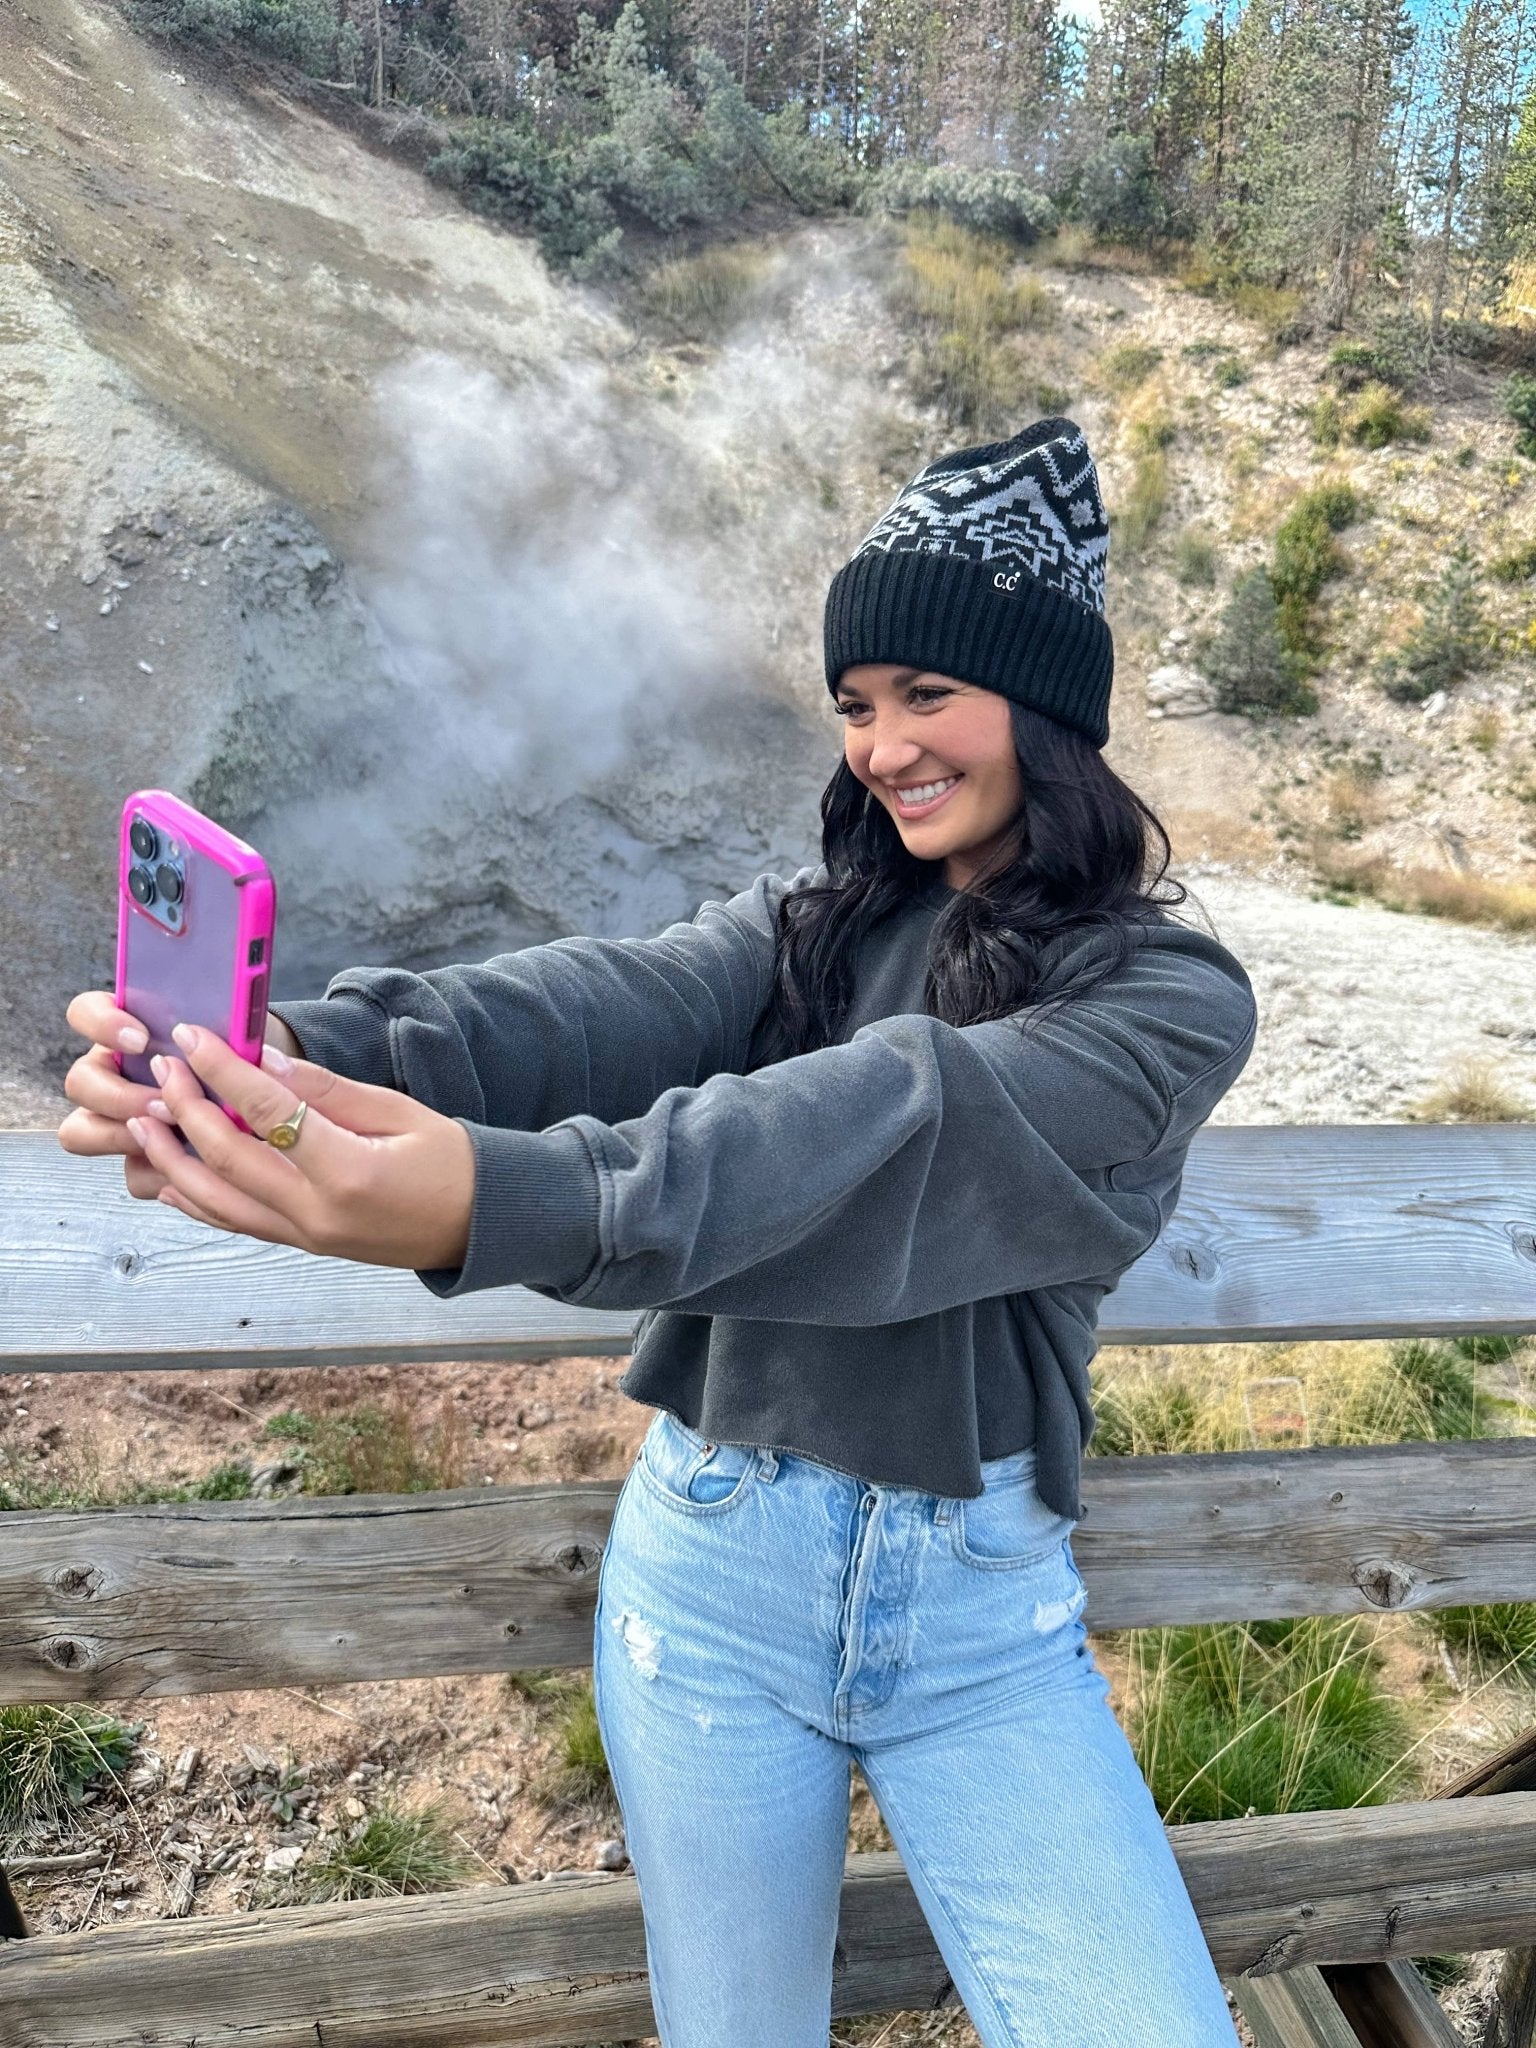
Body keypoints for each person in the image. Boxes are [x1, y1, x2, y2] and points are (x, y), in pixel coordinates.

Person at [61, 417, 1255, 2046]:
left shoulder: (1167, 1002)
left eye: (927, 695)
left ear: (1041, 710)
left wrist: (503, 1197)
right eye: (855, 705)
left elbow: (908, 1127)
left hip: (983, 1634)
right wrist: (286, 1062)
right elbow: (585, 1008)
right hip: (712, 1590)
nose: (883, 745)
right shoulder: (808, 927)